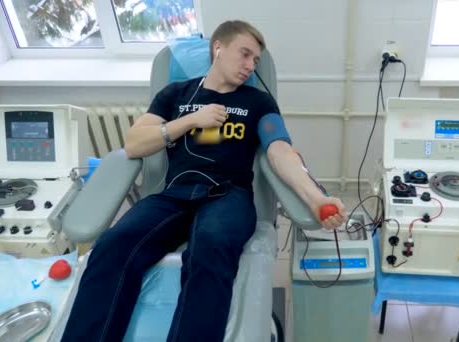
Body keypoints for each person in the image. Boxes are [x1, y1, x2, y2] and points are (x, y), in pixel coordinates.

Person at [61, 20, 346, 342]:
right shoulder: (174, 95)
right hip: (172, 196)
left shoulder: (258, 102)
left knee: (209, 247)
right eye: (245, 54)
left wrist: (316, 198)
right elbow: (134, 144)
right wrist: (190, 120)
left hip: (228, 196)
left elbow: (280, 151)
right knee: (113, 245)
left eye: (255, 59)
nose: (251, 65)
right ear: (218, 48)